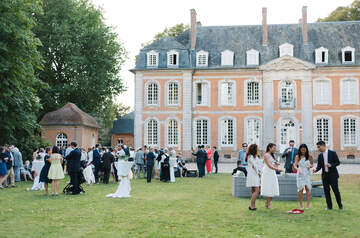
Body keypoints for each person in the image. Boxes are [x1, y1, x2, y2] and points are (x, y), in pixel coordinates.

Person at [313, 141, 343, 210]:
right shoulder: (320, 156)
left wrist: (331, 165)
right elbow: (319, 166)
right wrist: (316, 169)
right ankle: (329, 206)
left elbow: (337, 162)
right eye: (317, 147)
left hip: (333, 175)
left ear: (323, 146)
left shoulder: (332, 153)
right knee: (326, 192)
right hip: (325, 176)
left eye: (319, 147)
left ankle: (340, 206)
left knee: (336, 191)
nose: (318, 149)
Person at [261, 143, 283, 209]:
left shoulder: (272, 155)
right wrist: (277, 169)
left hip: (272, 172)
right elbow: (269, 165)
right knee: (269, 187)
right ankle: (268, 204)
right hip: (267, 172)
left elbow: (273, 163)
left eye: (275, 148)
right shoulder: (266, 155)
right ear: (269, 148)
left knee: (272, 186)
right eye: (273, 148)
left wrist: (276, 163)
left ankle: (268, 203)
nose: (274, 149)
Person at [293, 144, 313, 210]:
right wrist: (298, 169)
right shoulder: (297, 156)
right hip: (300, 173)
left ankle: (308, 205)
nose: (303, 151)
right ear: (300, 150)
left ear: (306, 150)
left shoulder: (309, 156)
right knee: (300, 189)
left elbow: (312, 164)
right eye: (302, 150)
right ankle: (301, 205)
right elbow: (295, 165)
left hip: (307, 173)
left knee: (307, 188)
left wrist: (310, 166)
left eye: (304, 149)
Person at [246, 144, 262, 211]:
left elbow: (259, 165)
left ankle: (253, 205)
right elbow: (255, 166)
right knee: (257, 190)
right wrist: (259, 173)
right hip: (253, 174)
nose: (258, 149)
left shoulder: (255, 157)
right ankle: (252, 205)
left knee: (253, 190)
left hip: (254, 174)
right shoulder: (250, 157)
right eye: (257, 148)